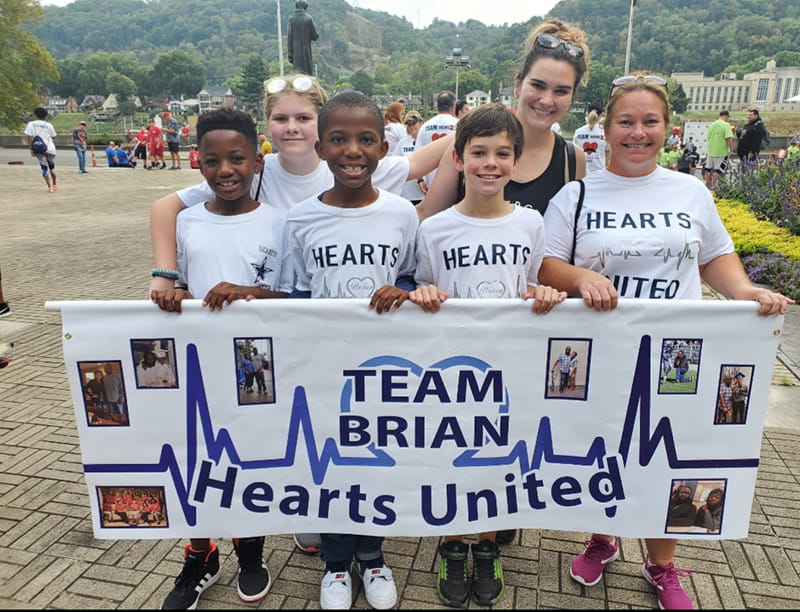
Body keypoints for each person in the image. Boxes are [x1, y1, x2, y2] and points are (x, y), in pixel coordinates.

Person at [539, 71, 794, 610]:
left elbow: (714, 257)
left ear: (667, 128)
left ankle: (663, 566)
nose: (637, 132)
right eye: (625, 122)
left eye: (649, 122)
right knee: (599, 449)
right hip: (600, 352)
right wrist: (581, 278)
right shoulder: (578, 193)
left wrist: (745, 290)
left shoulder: (691, 191)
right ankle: (602, 538)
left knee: (673, 457)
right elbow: (546, 263)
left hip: (678, 357)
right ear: (605, 129)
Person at [408, 102, 565, 608]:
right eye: (479, 153)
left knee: (500, 459)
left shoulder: (530, 224)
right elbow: (426, 288)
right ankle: (453, 544)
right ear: (457, 158)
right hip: (452, 370)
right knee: (453, 458)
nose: (490, 163)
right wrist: (422, 296)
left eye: (502, 153)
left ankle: (487, 545)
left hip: (510, 367)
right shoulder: (434, 230)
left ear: (516, 162)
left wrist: (544, 295)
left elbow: (534, 284)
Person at [150, 107, 293, 610]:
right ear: (199, 163)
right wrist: (174, 292)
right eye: (213, 161)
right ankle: (200, 553)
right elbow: (184, 284)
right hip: (200, 365)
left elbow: (295, 296)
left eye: (237, 158)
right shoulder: (186, 220)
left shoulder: (282, 223)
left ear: (258, 160)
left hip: (257, 368)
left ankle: (251, 552)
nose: (226, 169)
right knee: (198, 460)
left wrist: (249, 291)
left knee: (248, 458)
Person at [148, 73, 453, 299]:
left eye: (303, 118)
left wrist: (476, 133)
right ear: (268, 125)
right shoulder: (249, 173)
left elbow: (424, 160)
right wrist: (164, 276)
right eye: (281, 118)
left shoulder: (353, 167)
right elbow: (166, 208)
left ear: (320, 124)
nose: (292, 127)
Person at [286, 91, 416, 611]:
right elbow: (294, 296)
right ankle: (337, 565)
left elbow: (410, 277)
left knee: (377, 462)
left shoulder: (403, 214)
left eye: (365, 139)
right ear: (320, 148)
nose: (352, 151)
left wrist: (404, 291)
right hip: (322, 368)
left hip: (383, 371)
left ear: (383, 147)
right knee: (330, 465)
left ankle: (373, 555)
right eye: (338, 139)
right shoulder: (300, 218)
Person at [416, 19, 588, 225]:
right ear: (518, 85)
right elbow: (425, 215)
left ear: (572, 97)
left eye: (561, 91)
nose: (546, 100)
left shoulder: (571, 160)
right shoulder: (468, 144)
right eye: (538, 85)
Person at [414, 90, 459, 192]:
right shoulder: (460, 125)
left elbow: (417, 155)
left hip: (432, 183)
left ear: (436, 106)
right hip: (456, 182)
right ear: (453, 107)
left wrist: (420, 180)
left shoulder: (425, 127)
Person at [394, 110, 425, 204]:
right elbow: (396, 162)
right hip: (407, 192)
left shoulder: (426, 139)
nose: (411, 127)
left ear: (420, 123)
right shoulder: (402, 142)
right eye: (409, 124)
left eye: (413, 123)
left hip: (425, 190)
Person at [24, 107, 58, 192]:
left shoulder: (31, 124)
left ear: (36, 115)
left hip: (38, 149)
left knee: (44, 167)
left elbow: (29, 137)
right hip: (50, 148)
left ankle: (49, 186)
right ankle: (54, 184)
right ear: (46, 115)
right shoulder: (48, 125)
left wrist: (31, 149)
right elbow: (53, 136)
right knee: (52, 166)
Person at [704, 110, 734, 190]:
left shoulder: (712, 125)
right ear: (726, 116)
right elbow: (729, 139)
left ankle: (706, 185)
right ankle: (714, 186)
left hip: (711, 150)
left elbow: (708, 138)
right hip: (721, 151)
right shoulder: (726, 125)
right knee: (718, 170)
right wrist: (731, 150)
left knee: (708, 169)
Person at [572, 103, 606, 173]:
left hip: (581, 173)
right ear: (601, 115)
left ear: (587, 114)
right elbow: (609, 154)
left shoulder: (578, 132)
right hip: (600, 174)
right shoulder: (605, 133)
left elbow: (574, 153)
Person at [287, 0, 318, 75]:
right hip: (306, 52)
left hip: (296, 53)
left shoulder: (291, 19)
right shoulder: (308, 19)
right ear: (305, 7)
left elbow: (289, 37)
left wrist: (290, 54)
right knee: (308, 75)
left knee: (297, 76)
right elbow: (315, 36)